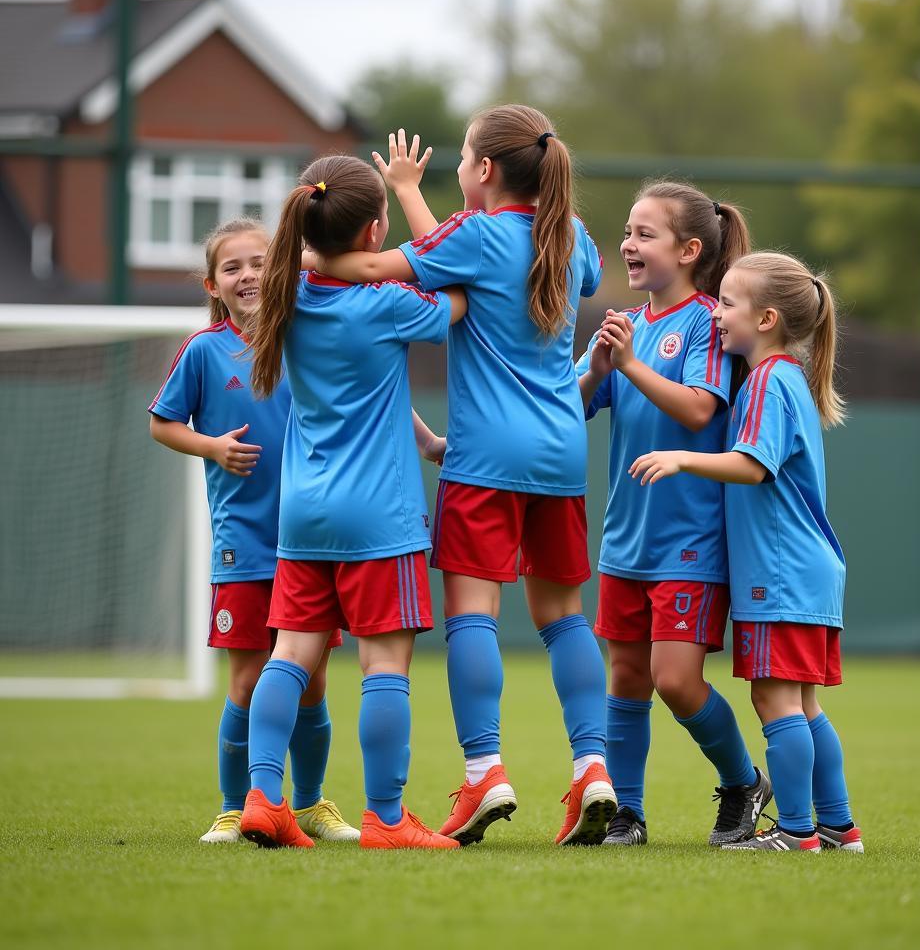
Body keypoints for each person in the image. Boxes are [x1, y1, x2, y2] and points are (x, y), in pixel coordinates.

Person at [315, 110, 615, 846]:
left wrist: (312, 259)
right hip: (561, 452)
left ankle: (485, 770)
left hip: (484, 460)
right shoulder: (571, 236)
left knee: (473, 615)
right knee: (564, 617)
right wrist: (422, 199)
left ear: (483, 171)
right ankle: (592, 767)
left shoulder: (475, 236)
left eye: (465, 159)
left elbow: (387, 264)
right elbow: (462, 252)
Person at [239, 154, 466, 850]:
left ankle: (261, 798)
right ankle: (387, 818)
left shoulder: (287, 292)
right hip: (379, 518)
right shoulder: (387, 303)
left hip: (302, 513)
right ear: (374, 231)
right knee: (383, 666)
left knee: (289, 655)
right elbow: (459, 292)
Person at [630, 251, 863, 853]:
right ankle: (837, 826)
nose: (717, 315)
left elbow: (753, 465)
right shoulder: (785, 378)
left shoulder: (767, 379)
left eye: (729, 304)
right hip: (805, 571)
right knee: (804, 703)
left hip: (780, 574)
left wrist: (681, 457)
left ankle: (795, 832)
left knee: (774, 698)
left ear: (765, 320)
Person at [577, 182, 771, 847]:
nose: (628, 245)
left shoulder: (707, 320)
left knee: (676, 680)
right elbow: (572, 409)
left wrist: (627, 364)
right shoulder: (623, 325)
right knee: (626, 677)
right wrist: (600, 366)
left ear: (689, 250)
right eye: (627, 232)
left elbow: (697, 409)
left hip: (689, 543)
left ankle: (743, 780)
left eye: (644, 234)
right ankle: (626, 813)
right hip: (625, 540)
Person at [148, 218, 351, 845]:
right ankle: (236, 808)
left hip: (312, 542)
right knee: (246, 679)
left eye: (261, 262)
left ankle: (311, 803)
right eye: (233, 268)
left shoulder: (306, 337)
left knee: (311, 681)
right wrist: (211, 446)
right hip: (244, 542)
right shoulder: (204, 350)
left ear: (282, 268)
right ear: (214, 284)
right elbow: (162, 424)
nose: (249, 276)